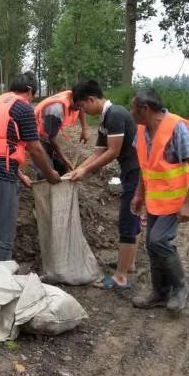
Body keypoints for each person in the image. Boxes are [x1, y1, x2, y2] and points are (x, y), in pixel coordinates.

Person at [128, 88, 189, 314]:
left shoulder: (175, 128)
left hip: (176, 199)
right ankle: (160, 293)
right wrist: (138, 194)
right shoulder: (141, 131)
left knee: (158, 241)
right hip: (155, 199)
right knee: (152, 247)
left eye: (134, 108)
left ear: (145, 109)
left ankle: (181, 287)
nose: (131, 113)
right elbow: (146, 166)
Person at [0, 71, 60, 261]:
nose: (31, 100)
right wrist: (50, 175)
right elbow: (35, 149)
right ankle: (1, 279)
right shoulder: (22, 107)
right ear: (29, 91)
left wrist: (20, 175)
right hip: (1, 175)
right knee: (3, 236)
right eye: (33, 95)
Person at [66, 80, 141, 290]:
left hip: (137, 172)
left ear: (91, 99)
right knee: (132, 217)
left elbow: (113, 151)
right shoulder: (104, 120)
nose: (83, 110)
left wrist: (85, 171)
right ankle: (130, 263)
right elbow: (98, 152)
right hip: (130, 171)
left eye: (82, 106)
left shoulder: (115, 114)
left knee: (127, 220)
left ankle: (120, 277)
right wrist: (79, 168)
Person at [33, 89, 90, 175]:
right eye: (79, 106)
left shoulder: (75, 96)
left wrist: (84, 128)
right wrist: (65, 159)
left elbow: (80, 109)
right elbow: (51, 139)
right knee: (46, 171)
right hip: (35, 136)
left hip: (49, 132)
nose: (81, 108)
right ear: (73, 100)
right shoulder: (56, 110)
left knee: (61, 167)